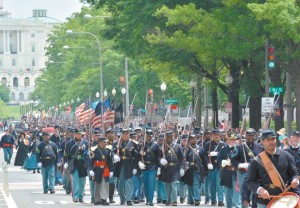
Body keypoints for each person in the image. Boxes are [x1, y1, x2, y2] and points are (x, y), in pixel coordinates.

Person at [247, 129, 299, 208]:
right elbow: (250, 182)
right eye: (268, 140)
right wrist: (260, 190)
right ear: (262, 142)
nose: (271, 142)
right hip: (264, 202)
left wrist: (295, 180)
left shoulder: (287, 156)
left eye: (273, 139)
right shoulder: (256, 161)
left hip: (285, 199)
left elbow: (294, 174)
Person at [231, 128, 263, 208]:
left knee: (255, 193)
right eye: (248, 135)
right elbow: (233, 160)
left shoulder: (260, 147)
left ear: (255, 136)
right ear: (245, 136)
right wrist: (240, 165)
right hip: (243, 173)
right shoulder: (239, 147)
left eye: (252, 135)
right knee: (244, 194)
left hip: (256, 174)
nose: (250, 137)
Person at [112, 128, 138, 206]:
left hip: (129, 164)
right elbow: (112, 151)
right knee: (120, 184)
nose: (125, 135)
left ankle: (129, 199)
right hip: (120, 164)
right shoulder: (117, 143)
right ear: (122, 134)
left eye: (126, 134)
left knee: (129, 182)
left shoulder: (133, 143)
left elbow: (136, 156)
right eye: (123, 134)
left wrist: (135, 167)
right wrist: (114, 156)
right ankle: (122, 199)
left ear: (129, 134)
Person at [158, 130, 185, 206]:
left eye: (170, 136)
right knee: (167, 185)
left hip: (175, 168)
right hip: (166, 168)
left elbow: (182, 158)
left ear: (173, 137)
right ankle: (168, 199)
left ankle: (174, 200)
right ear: (165, 138)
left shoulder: (177, 146)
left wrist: (182, 168)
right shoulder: (163, 147)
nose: (169, 138)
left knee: (174, 184)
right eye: (168, 137)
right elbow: (158, 157)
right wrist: (161, 160)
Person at [64, 128, 89, 203]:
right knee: (75, 179)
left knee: (82, 181)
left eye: (81, 134)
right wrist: (65, 162)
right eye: (78, 134)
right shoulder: (70, 143)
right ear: (75, 134)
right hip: (74, 162)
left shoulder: (85, 142)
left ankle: (81, 196)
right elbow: (66, 153)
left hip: (82, 163)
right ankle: (75, 196)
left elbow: (87, 153)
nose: (80, 135)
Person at [183, 133, 208, 206]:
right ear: (189, 140)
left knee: (197, 184)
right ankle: (190, 199)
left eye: (195, 138)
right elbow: (183, 159)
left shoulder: (200, 149)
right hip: (189, 168)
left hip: (197, 168)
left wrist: (205, 170)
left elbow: (204, 160)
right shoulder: (186, 149)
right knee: (189, 184)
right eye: (192, 139)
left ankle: (197, 199)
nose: (193, 140)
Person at [89, 135, 114, 205]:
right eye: (103, 142)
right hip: (97, 169)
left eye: (105, 142)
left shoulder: (108, 150)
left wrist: (111, 170)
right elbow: (90, 161)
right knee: (98, 184)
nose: (104, 144)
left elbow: (110, 161)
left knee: (105, 184)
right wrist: (90, 169)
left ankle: (104, 199)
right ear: (99, 143)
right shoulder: (94, 150)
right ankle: (97, 199)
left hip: (105, 169)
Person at [138, 128, 160, 206]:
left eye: (150, 136)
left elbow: (158, 157)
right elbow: (138, 156)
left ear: (152, 136)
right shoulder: (141, 144)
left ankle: (150, 200)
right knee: (146, 183)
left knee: (152, 183)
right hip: (144, 167)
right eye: (147, 135)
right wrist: (139, 162)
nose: (148, 137)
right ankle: (147, 199)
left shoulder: (156, 145)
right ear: (145, 136)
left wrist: (159, 168)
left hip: (153, 166)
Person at [218, 133, 241, 208]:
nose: (233, 141)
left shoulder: (238, 149)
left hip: (235, 173)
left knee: (236, 192)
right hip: (227, 172)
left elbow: (241, 159)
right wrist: (223, 162)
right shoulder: (223, 149)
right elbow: (219, 159)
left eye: (234, 139)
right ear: (228, 140)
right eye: (231, 139)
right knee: (228, 192)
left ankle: (237, 206)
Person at [204, 128, 226, 206]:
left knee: (220, 184)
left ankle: (220, 200)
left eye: (218, 135)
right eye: (215, 135)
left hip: (220, 166)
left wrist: (217, 153)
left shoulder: (223, 144)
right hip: (212, 166)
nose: (217, 136)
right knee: (212, 185)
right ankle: (213, 200)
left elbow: (226, 154)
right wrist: (207, 163)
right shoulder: (208, 144)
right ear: (212, 135)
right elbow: (205, 156)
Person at [156, 134, 167, 204]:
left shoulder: (166, 147)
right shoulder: (156, 147)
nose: (161, 141)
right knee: (158, 183)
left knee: (163, 183)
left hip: (164, 167)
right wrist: (157, 167)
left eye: (162, 140)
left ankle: (164, 198)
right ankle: (159, 197)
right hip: (158, 166)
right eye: (160, 139)